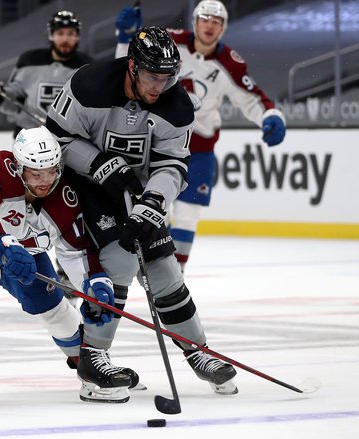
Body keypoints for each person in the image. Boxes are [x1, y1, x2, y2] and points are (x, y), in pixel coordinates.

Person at [46, 26, 239, 403]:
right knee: (118, 260)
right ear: (132, 66)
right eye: (152, 76)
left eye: (167, 77)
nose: (158, 86)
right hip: (83, 185)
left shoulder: (178, 106)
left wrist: (152, 204)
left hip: (136, 191)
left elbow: (173, 166)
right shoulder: (88, 85)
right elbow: (57, 140)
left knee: (165, 268)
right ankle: (93, 355)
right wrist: (99, 162)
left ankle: (196, 348)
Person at [0, 126, 136, 407]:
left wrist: (95, 284)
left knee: (53, 307)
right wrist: (2, 244)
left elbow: (74, 250)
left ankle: (90, 369)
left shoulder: (62, 197)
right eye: (36, 173)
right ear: (19, 168)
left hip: (23, 250)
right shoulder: (0, 171)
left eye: (52, 171)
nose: (45, 181)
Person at [115, 1, 286, 272]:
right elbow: (128, 67)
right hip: (158, 143)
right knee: (153, 208)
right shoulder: (170, 42)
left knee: (187, 214)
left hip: (199, 150)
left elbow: (251, 99)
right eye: (205, 19)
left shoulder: (230, 62)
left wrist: (270, 117)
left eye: (217, 22)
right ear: (195, 22)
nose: (210, 25)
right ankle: (148, 267)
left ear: (223, 28)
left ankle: (175, 274)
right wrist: (126, 37)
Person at [0, 10, 93, 137]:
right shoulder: (29, 60)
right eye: (60, 33)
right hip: (29, 138)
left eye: (71, 33)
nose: (65, 39)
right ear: (51, 35)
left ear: (77, 36)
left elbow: (90, 111)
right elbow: (15, 103)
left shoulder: (89, 68)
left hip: (70, 139)